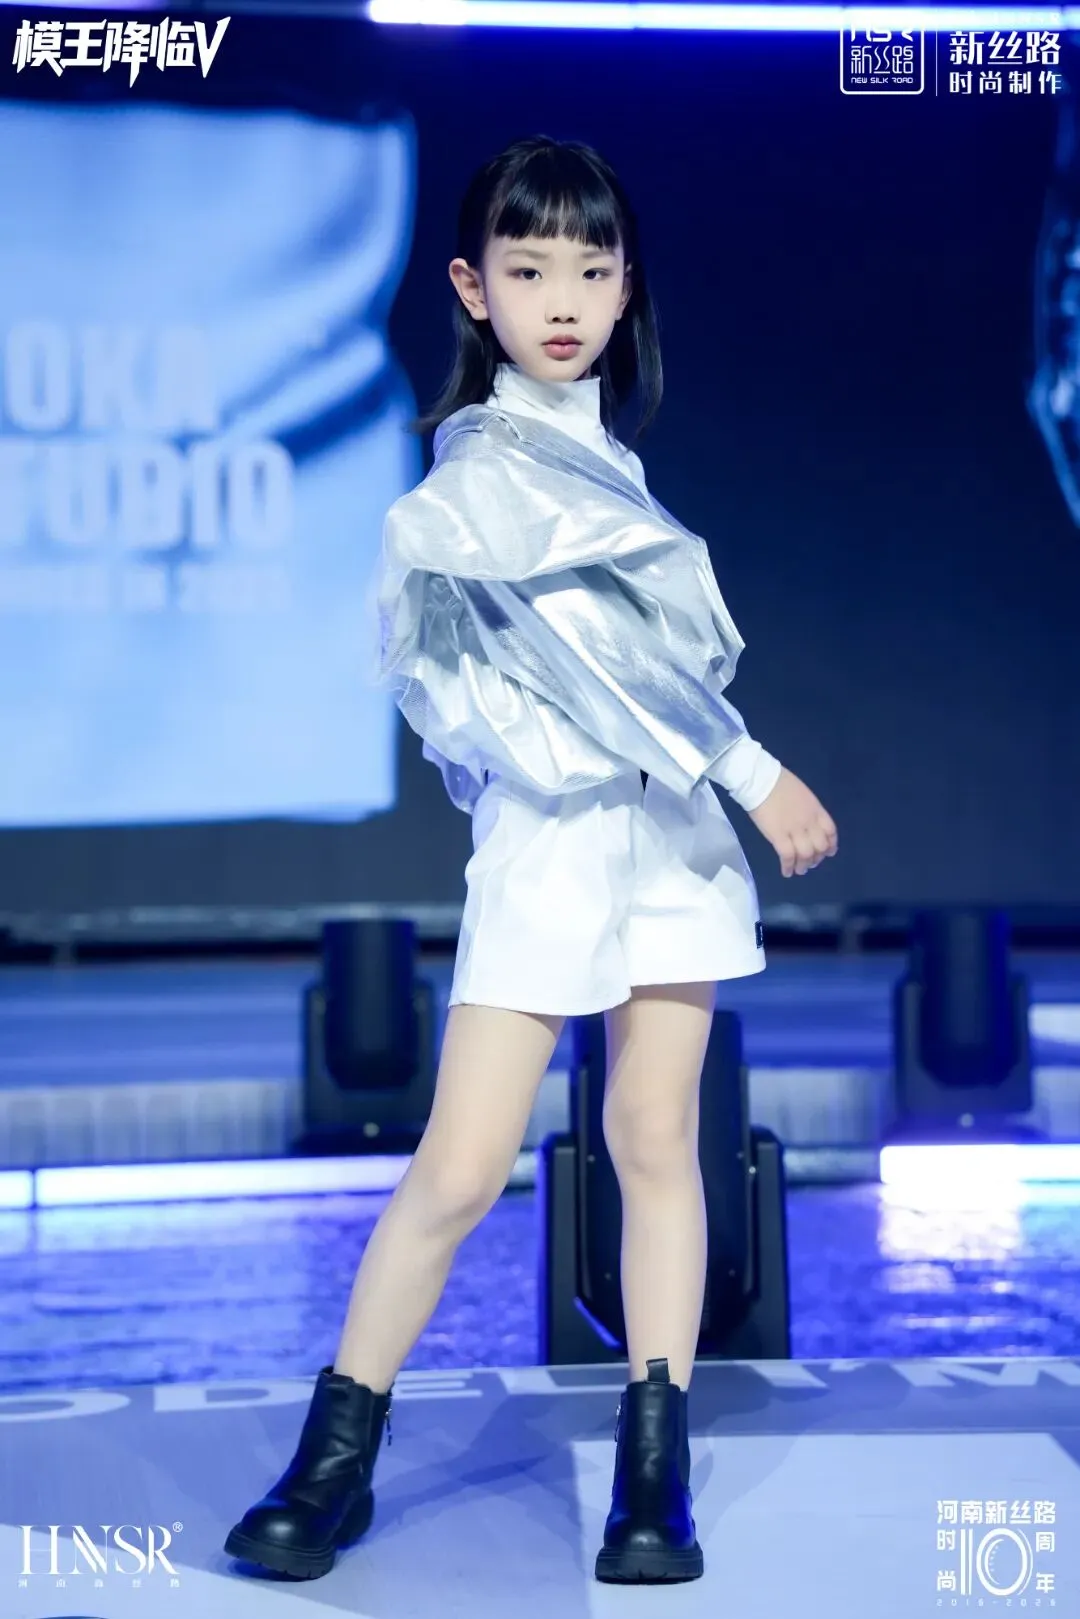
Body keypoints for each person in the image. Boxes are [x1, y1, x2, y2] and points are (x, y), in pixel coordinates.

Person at [224, 134, 838, 1587]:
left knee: (656, 1142)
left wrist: (718, 783)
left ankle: (651, 1475)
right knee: (460, 1164)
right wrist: (755, 771)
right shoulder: (480, 471)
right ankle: (332, 1462)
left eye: (591, 267)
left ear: (626, 289)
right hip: (558, 844)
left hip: (665, 841)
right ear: (472, 287)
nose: (562, 298)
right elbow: (586, 656)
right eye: (529, 267)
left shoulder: (609, 462)